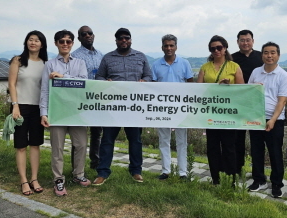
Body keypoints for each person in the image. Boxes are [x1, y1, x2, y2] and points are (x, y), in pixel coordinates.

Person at [91, 28, 152, 186]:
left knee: (136, 140)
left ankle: (136, 171)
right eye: (120, 38)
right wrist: (105, 83)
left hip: (134, 106)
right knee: (107, 140)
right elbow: (99, 77)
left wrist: (144, 82)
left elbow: (149, 76)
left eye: (127, 38)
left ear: (131, 40)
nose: (124, 40)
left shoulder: (140, 57)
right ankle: (103, 172)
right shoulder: (108, 58)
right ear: (116, 40)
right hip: (113, 106)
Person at [40, 30, 89, 196]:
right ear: (56, 43)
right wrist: (43, 113)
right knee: (57, 148)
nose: (65, 44)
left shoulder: (80, 63)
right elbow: (45, 90)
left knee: (81, 144)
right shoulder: (50, 64)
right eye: (62, 41)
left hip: (76, 112)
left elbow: (84, 84)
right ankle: (58, 180)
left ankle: (79, 174)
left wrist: (62, 77)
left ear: (73, 44)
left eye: (69, 41)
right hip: (57, 112)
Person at [197, 35, 244, 185]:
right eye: (213, 48)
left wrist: (229, 86)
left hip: (229, 113)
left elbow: (242, 90)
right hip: (210, 112)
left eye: (219, 47)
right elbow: (199, 90)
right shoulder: (205, 67)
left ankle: (230, 179)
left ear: (225, 48)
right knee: (212, 147)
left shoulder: (234, 66)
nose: (216, 50)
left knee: (229, 146)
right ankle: (215, 178)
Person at [247, 42, 287, 198]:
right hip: (256, 118)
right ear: (262, 55)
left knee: (275, 153)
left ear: (278, 55)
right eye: (266, 52)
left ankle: (277, 183)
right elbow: (248, 92)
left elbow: (282, 101)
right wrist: (254, 88)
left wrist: (272, 120)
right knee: (256, 151)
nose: (269, 55)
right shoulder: (256, 72)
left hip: (275, 120)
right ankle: (259, 180)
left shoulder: (283, 75)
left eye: (273, 52)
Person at [8, 30, 48, 196]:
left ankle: (34, 178)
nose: (33, 43)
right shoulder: (18, 61)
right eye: (30, 40)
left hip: (38, 108)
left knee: (35, 144)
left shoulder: (46, 63)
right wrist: (15, 105)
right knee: (21, 145)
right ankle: (24, 180)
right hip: (21, 107)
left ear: (42, 44)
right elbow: (11, 84)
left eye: (37, 40)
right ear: (26, 42)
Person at [152, 34, 194, 180]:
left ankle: (183, 172)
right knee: (164, 139)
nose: (169, 48)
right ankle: (165, 171)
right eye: (166, 45)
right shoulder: (156, 65)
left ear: (176, 46)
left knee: (182, 140)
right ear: (162, 47)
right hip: (162, 108)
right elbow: (153, 86)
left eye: (171, 45)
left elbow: (190, 83)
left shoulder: (184, 63)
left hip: (180, 108)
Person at [71, 26, 104, 170]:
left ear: (94, 35)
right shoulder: (75, 56)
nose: (87, 36)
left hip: (97, 100)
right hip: (81, 100)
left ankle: (95, 163)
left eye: (90, 33)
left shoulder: (101, 55)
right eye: (84, 34)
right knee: (78, 136)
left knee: (97, 134)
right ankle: (77, 165)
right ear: (79, 38)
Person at [231, 29, 263, 175]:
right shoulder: (232, 58)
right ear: (237, 42)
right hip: (238, 103)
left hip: (257, 103)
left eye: (248, 39)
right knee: (237, 138)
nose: (245, 42)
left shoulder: (261, 57)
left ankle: (258, 173)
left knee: (257, 140)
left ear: (253, 41)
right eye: (242, 40)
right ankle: (237, 168)